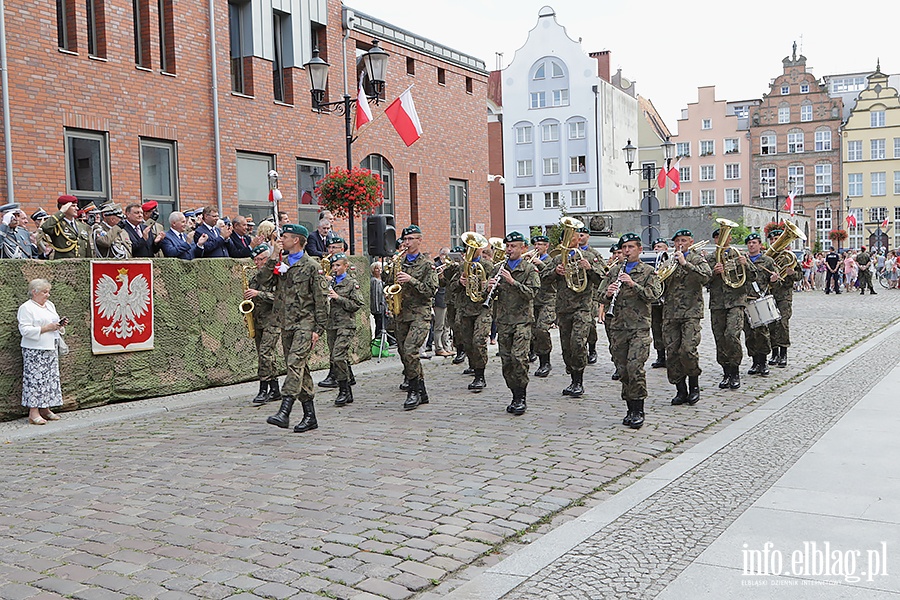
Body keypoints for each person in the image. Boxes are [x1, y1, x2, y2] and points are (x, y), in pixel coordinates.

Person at [263, 224, 328, 432]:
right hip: (286, 323)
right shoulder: (281, 262)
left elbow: (321, 299)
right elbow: (263, 281)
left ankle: (285, 410)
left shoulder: (311, 265)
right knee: (300, 368)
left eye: (286, 236)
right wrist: (273, 254)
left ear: (297, 240)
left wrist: (319, 328)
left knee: (293, 363)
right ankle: (310, 416)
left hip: (305, 323)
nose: (282, 239)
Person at [600, 233, 662, 429]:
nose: (627, 251)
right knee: (623, 370)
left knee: (635, 368)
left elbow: (654, 295)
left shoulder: (648, 272)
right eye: (624, 247)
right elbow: (599, 295)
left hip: (639, 328)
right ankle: (629, 407)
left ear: (639, 250)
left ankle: (638, 409)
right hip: (618, 328)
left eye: (631, 247)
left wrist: (633, 284)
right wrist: (607, 293)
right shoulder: (613, 271)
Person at [542, 224, 605, 397]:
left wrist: (590, 268)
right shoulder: (557, 259)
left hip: (583, 307)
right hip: (563, 308)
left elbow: (602, 280)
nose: (572, 240)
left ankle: (578, 381)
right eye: (568, 237)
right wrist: (555, 272)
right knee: (566, 347)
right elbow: (543, 280)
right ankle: (572, 374)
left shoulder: (589, 256)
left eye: (575, 236)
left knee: (578, 343)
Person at [488, 231, 540, 415]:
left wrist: (511, 282)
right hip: (503, 320)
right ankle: (514, 393)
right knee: (507, 361)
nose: (509, 250)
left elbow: (532, 293)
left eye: (513, 246)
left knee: (519, 358)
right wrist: (490, 288)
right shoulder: (498, 268)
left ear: (523, 248)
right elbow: (491, 295)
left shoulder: (528, 269)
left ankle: (521, 396)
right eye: (507, 246)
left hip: (522, 321)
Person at [388, 225, 438, 410]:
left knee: (410, 351)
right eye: (404, 240)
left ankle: (413, 392)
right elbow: (389, 284)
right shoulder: (399, 261)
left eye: (410, 239)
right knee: (405, 354)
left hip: (420, 314)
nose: (407, 243)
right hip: (401, 314)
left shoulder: (427, 264)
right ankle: (422, 390)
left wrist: (411, 280)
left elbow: (431, 290)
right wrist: (389, 272)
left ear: (419, 240)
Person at [662, 229, 711, 406]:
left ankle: (694, 385)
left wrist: (685, 264)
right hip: (670, 313)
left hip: (691, 312)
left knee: (688, 349)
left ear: (691, 242)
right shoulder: (668, 261)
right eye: (677, 241)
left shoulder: (697, 259)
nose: (680, 244)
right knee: (673, 353)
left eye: (683, 240)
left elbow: (706, 277)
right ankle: (680, 390)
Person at [17, 279, 68, 425]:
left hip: (50, 346)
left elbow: (54, 322)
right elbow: (25, 330)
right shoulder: (26, 308)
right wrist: (46, 328)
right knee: (35, 381)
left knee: (50, 380)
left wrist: (59, 325)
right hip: (34, 349)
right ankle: (33, 413)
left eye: (48, 291)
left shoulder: (49, 306)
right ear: (35, 292)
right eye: (45, 292)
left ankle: (46, 409)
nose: (48, 295)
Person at [705, 227, 748, 390]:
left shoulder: (738, 254)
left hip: (736, 301)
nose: (721, 240)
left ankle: (735, 371)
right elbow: (703, 281)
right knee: (720, 339)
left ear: (730, 239)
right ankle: (726, 372)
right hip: (717, 304)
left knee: (732, 334)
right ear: (715, 240)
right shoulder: (710, 258)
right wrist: (713, 273)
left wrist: (746, 265)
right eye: (718, 237)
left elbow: (754, 276)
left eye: (725, 237)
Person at [244, 244, 282, 404]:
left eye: (260, 259)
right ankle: (275, 389)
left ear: (267, 259)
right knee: (265, 355)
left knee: (265, 353)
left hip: (272, 320)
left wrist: (259, 294)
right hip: (258, 320)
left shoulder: (276, 276)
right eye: (255, 260)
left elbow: (280, 297)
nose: (257, 263)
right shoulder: (255, 278)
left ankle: (263, 389)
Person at [325, 253, 364, 406]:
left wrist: (338, 297)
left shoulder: (351, 283)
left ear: (345, 266)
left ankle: (343, 390)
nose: (335, 269)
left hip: (345, 325)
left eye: (338, 266)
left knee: (338, 356)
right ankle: (347, 389)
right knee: (335, 358)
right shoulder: (331, 282)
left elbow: (357, 304)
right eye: (333, 266)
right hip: (331, 324)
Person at [457, 237, 492, 392]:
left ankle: (480, 375)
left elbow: (497, 286)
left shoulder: (487, 266)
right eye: (468, 246)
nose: (471, 249)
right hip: (466, 309)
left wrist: (487, 286)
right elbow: (451, 288)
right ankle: (474, 366)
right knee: (468, 343)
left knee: (478, 341)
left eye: (474, 247)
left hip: (482, 309)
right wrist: (459, 282)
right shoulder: (462, 267)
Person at [766, 229, 803, 367]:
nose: (774, 241)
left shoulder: (789, 257)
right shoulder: (767, 257)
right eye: (772, 239)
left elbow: (800, 276)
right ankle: (774, 353)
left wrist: (792, 273)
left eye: (776, 238)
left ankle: (783, 353)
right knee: (771, 324)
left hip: (784, 295)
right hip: (770, 294)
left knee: (782, 323)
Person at [743, 233, 777, 376]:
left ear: (760, 245)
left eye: (754, 242)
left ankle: (763, 362)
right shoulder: (742, 260)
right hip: (745, 299)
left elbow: (776, 280)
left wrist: (774, 279)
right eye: (749, 243)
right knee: (749, 333)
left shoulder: (767, 260)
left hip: (760, 298)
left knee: (762, 332)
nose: (751, 245)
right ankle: (754, 361)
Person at [529, 235, 556, 377]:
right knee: (534, 332)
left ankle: (545, 362)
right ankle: (537, 357)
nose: (537, 247)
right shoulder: (529, 260)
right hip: (533, 300)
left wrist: (538, 263)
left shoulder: (551, 261)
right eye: (536, 244)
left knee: (542, 329)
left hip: (548, 300)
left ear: (547, 246)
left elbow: (550, 275)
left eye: (540, 244)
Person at [649, 238, 669, 368]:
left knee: (667, 328)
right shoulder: (651, 263)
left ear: (666, 249)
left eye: (660, 246)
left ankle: (670, 354)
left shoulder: (670, 261)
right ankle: (660, 355)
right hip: (655, 301)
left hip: (668, 301)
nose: (657, 249)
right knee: (656, 328)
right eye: (655, 247)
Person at [432, 247, 454, 357]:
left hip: (447, 298)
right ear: (440, 255)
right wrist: (440, 275)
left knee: (447, 326)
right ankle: (438, 347)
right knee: (439, 325)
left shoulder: (449, 266)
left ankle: (447, 346)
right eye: (444, 255)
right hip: (439, 298)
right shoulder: (436, 266)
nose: (446, 258)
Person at [370, 261, 388, 344]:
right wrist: (377, 308)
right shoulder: (374, 281)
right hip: (378, 307)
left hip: (384, 305)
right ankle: (378, 342)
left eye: (380, 268)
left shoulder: (383, 279)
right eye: (377, 268)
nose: (379, 270)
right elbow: (375, 295)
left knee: (384, 324)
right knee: (379, 324)